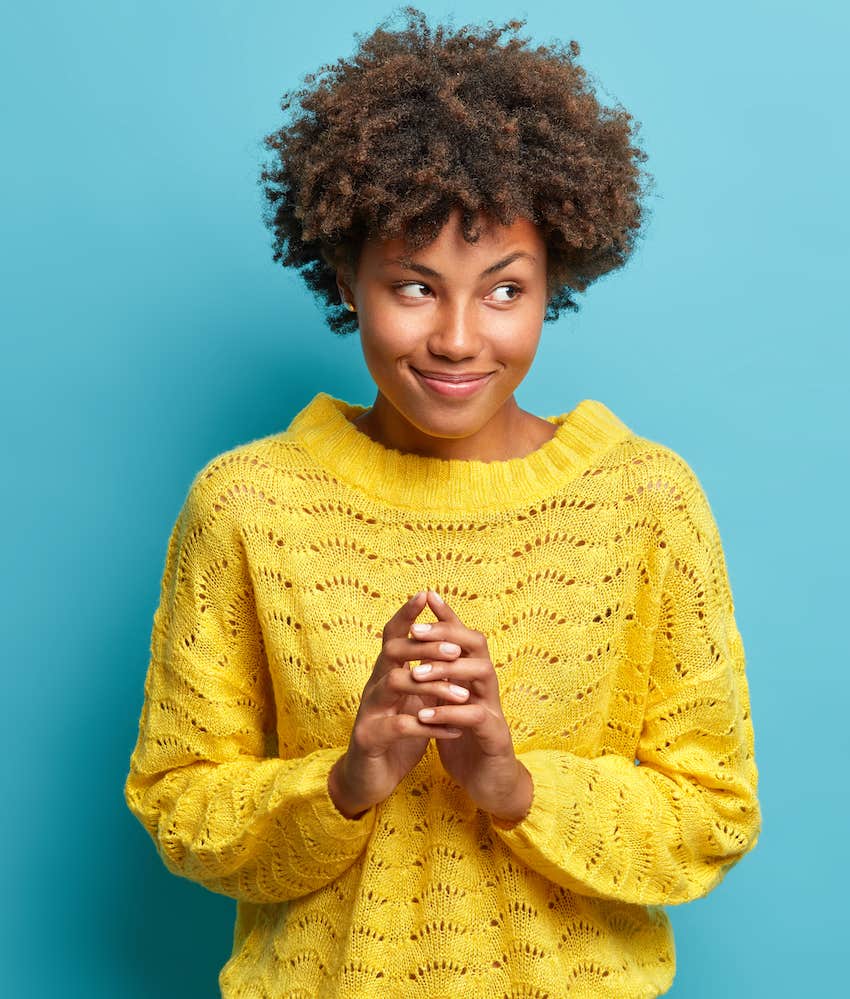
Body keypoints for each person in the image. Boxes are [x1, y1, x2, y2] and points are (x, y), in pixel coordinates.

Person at [123, 8, 762, 997]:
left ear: (556, 281)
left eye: (504, 291)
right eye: (414, 287)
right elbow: (179, 804)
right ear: (345, 276)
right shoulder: (247, 505)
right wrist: (350, 778)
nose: (460, 338)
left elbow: (710, 814)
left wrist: (509, 783)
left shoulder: (645, 501)